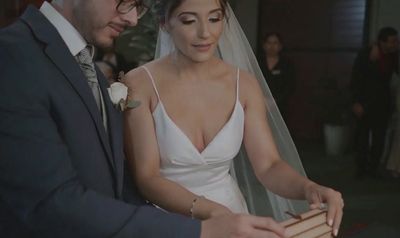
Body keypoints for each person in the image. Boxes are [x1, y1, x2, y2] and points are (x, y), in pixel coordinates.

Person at [0, 0, 285, 237]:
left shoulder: (84, 65)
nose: (133, 18)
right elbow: (51, 202)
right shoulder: (12, 55)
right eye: (125, 1)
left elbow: (114, 182)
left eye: (138, 5)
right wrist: (199, 231)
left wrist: (200, 222)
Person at [123, 0, 343, 236]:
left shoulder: (244, 84)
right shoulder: (140, 84)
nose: (205, 33)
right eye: (189, 20)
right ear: (164, 23)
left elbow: (268, 166)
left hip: (231, 215)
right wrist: (213, 212)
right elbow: (147, 178)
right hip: (168, 220)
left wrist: (308, 187)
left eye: (215, 19)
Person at [350, 26, 399, 178]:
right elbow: (356, 78)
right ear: (382, 42)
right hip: (364, 101)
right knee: (362, 138)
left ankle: (373, 168)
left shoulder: (394, 56)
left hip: (382, 104)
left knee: (379, 139)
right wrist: (356, 102)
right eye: (391, 42)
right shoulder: (367, 54)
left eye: (396, 41)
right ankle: (361, 168)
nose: (394, 44)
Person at [260, 32, 295, 121]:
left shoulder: (286, 64)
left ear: (280, 46)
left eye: (275, 43)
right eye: (269, 43)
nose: (272, 46)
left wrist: (275, 100)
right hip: (259, 104)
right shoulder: (257, 62)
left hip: (280, 107)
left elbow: (290, 86)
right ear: (264, 45)